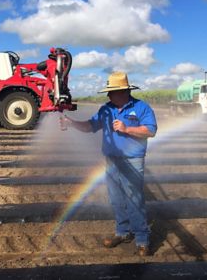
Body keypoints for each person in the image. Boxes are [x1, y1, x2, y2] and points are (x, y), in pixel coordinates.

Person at [60, 71, 157, 256]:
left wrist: (127, 128)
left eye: (111, 92)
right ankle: (122, 232)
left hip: (133, 160)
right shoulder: (106, 109)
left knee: (134, 199)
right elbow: (90, 126)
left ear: (123, 91)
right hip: (111, 160)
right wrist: (71, 123)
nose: (108, 95)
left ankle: (142, 239)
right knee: (116, 199)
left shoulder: (141, 107)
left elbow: (151, 131)